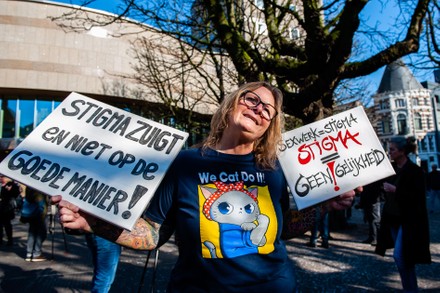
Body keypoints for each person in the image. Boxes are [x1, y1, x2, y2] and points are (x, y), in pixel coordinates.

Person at [52, 81, 357, 292]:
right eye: (251, 99)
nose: (259, 108)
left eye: (269, 109)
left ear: (271, 125)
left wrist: (324, 207)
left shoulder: (274, 169)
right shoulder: (185, 163)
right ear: (231, 105)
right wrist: (93, 222)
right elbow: (153, 233)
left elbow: (282, 229)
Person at [375, 137, 431, 292]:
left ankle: (411, 289)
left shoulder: (416, 171)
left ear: (402, 151)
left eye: (392, 149)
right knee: (404, 258)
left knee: (400, 256)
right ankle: (409, 287)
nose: (390, 152)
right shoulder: (391, 169)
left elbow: (418, 197)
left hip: (408, 220)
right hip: (392, 218)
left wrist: (395, 190)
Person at [21, 187, 48, 261]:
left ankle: (29, 253)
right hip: (39, 213)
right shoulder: (38, 188)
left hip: (32, 212)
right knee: (41, 233)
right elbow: (39, 201)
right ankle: (36, 253)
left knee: (32, 233)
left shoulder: (29, 186)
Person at [356, 180, 383, 245]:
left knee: (375, 220)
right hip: (369, 198)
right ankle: (372, 237)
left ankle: (375, 238)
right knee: (370, 219)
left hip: (374, 198)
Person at [0, 175, 21, 246]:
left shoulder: (11, 185)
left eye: (2, 177)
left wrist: (10, 189)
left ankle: (10, 240)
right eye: (0, 177)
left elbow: (16, 194)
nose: (1, 178)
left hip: (7, 209)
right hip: (1, 207)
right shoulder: (1, 185)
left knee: (7, 224)